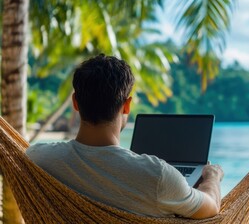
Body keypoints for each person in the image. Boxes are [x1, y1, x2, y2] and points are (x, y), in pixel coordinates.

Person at [26, 54, 224, 219]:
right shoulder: (158, 177)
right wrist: (212, 177)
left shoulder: (38, 158)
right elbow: (212, 208)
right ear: (127, 105)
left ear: (75, 103)